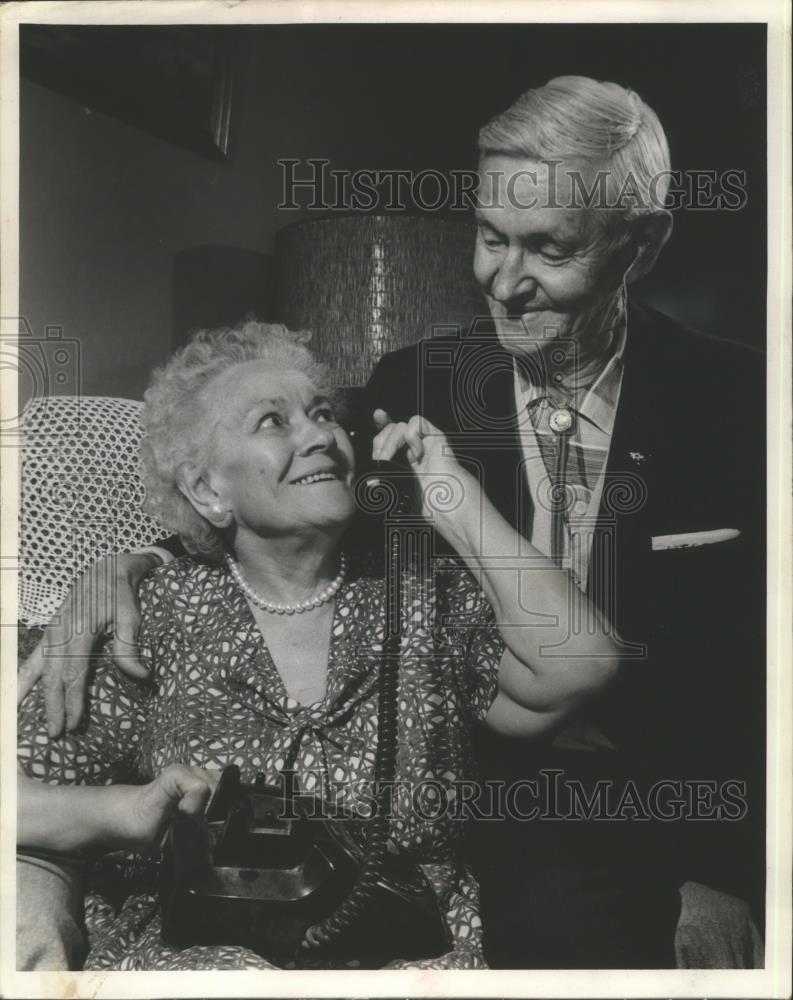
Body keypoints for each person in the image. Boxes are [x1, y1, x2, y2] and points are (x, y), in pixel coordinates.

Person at [20, 76, 766, 968]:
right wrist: (123, 569)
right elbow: (275, 517)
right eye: (489, 237)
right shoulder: (418, 389)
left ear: (638, 248)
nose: (503, 280)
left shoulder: (748, 402)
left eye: (548, 250)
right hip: (494, 806)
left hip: (682, 800)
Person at [17, 321, 620, 970]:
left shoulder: (423, 594)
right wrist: (129, 811)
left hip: (402, 957)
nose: (319, 437)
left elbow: (580, 665)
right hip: (200, 958)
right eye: (272, 422)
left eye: (323, 414)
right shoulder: (153, 617)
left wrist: (450, 495)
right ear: (207, 490)